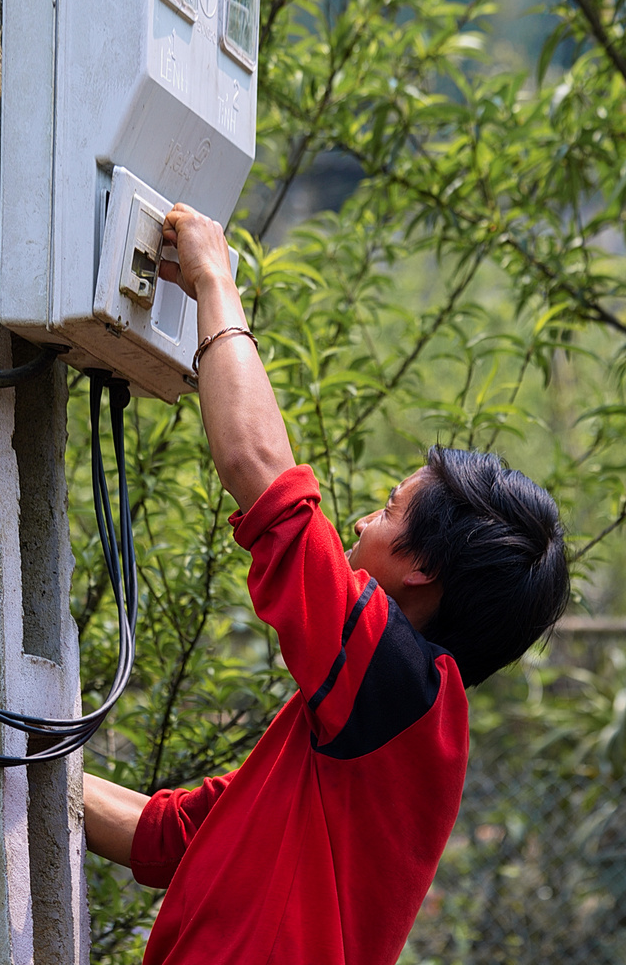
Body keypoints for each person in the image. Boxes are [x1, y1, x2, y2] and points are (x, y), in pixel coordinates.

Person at [82, 204, 570, 965]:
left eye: (386, 509)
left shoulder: (404, 688)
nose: (357, 527)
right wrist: (11, 756)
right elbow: (170, 835)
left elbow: (263, 478)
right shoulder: (364, 723)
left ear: (422, 568)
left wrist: (213, 279)